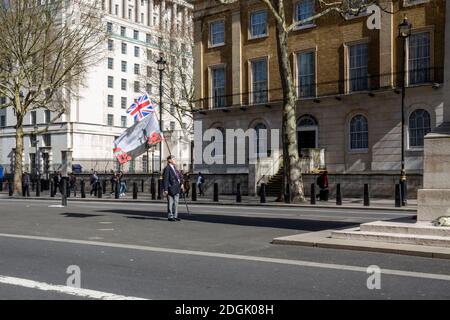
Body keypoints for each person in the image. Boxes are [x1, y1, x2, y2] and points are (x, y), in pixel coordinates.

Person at [163, 155, 184, 222]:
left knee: (176, 202)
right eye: (174, 159)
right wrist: (166, 189)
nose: (175, 160)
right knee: (170, 203)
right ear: (169, 160)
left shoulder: (175, 168)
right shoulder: (167, 168)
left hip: (177, 187)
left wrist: (182, 183)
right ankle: (170, 216)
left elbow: (179, 177)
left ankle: (175, 216)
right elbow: (166, 179)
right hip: (171, 187)